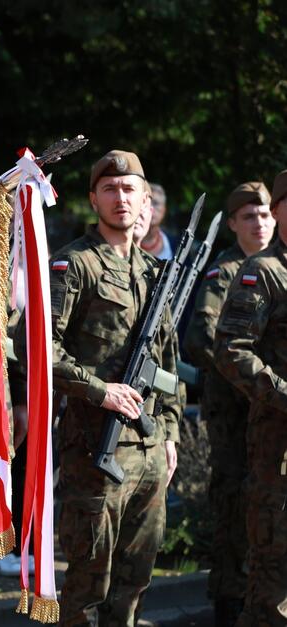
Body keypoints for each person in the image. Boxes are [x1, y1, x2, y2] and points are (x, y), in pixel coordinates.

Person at [44, 150, 182, 625]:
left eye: (129, 189)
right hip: (93, 454)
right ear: (92, 199)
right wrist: (98, 389)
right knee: (86, 587)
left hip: (148, 449)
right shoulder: (74, 265)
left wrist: (171, 436)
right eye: (109, 189)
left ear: (145, 199)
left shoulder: (152, 271)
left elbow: (168, 362)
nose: (120, 197)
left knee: (135, 580)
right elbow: (40, 347)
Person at [182, 181, 275, 625]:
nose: (258, 223)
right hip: (236, 411)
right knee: (235, 503)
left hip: (269, 411)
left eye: (264, 214)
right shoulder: (227, 271)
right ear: (234, 223)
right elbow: (204, 338)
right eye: (249, 216)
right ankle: (229, 597)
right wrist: (254, 384)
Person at [214, 169, 287, 627]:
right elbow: (230, 350)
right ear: (278, 212)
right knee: (273, 593)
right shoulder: (263, 271)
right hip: (278, 453)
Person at [138, 183, 174, 260]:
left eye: (156, 203)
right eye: (146, 202)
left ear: (164, 210)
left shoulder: (175, 244)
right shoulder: (125, 242)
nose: (150, 207)